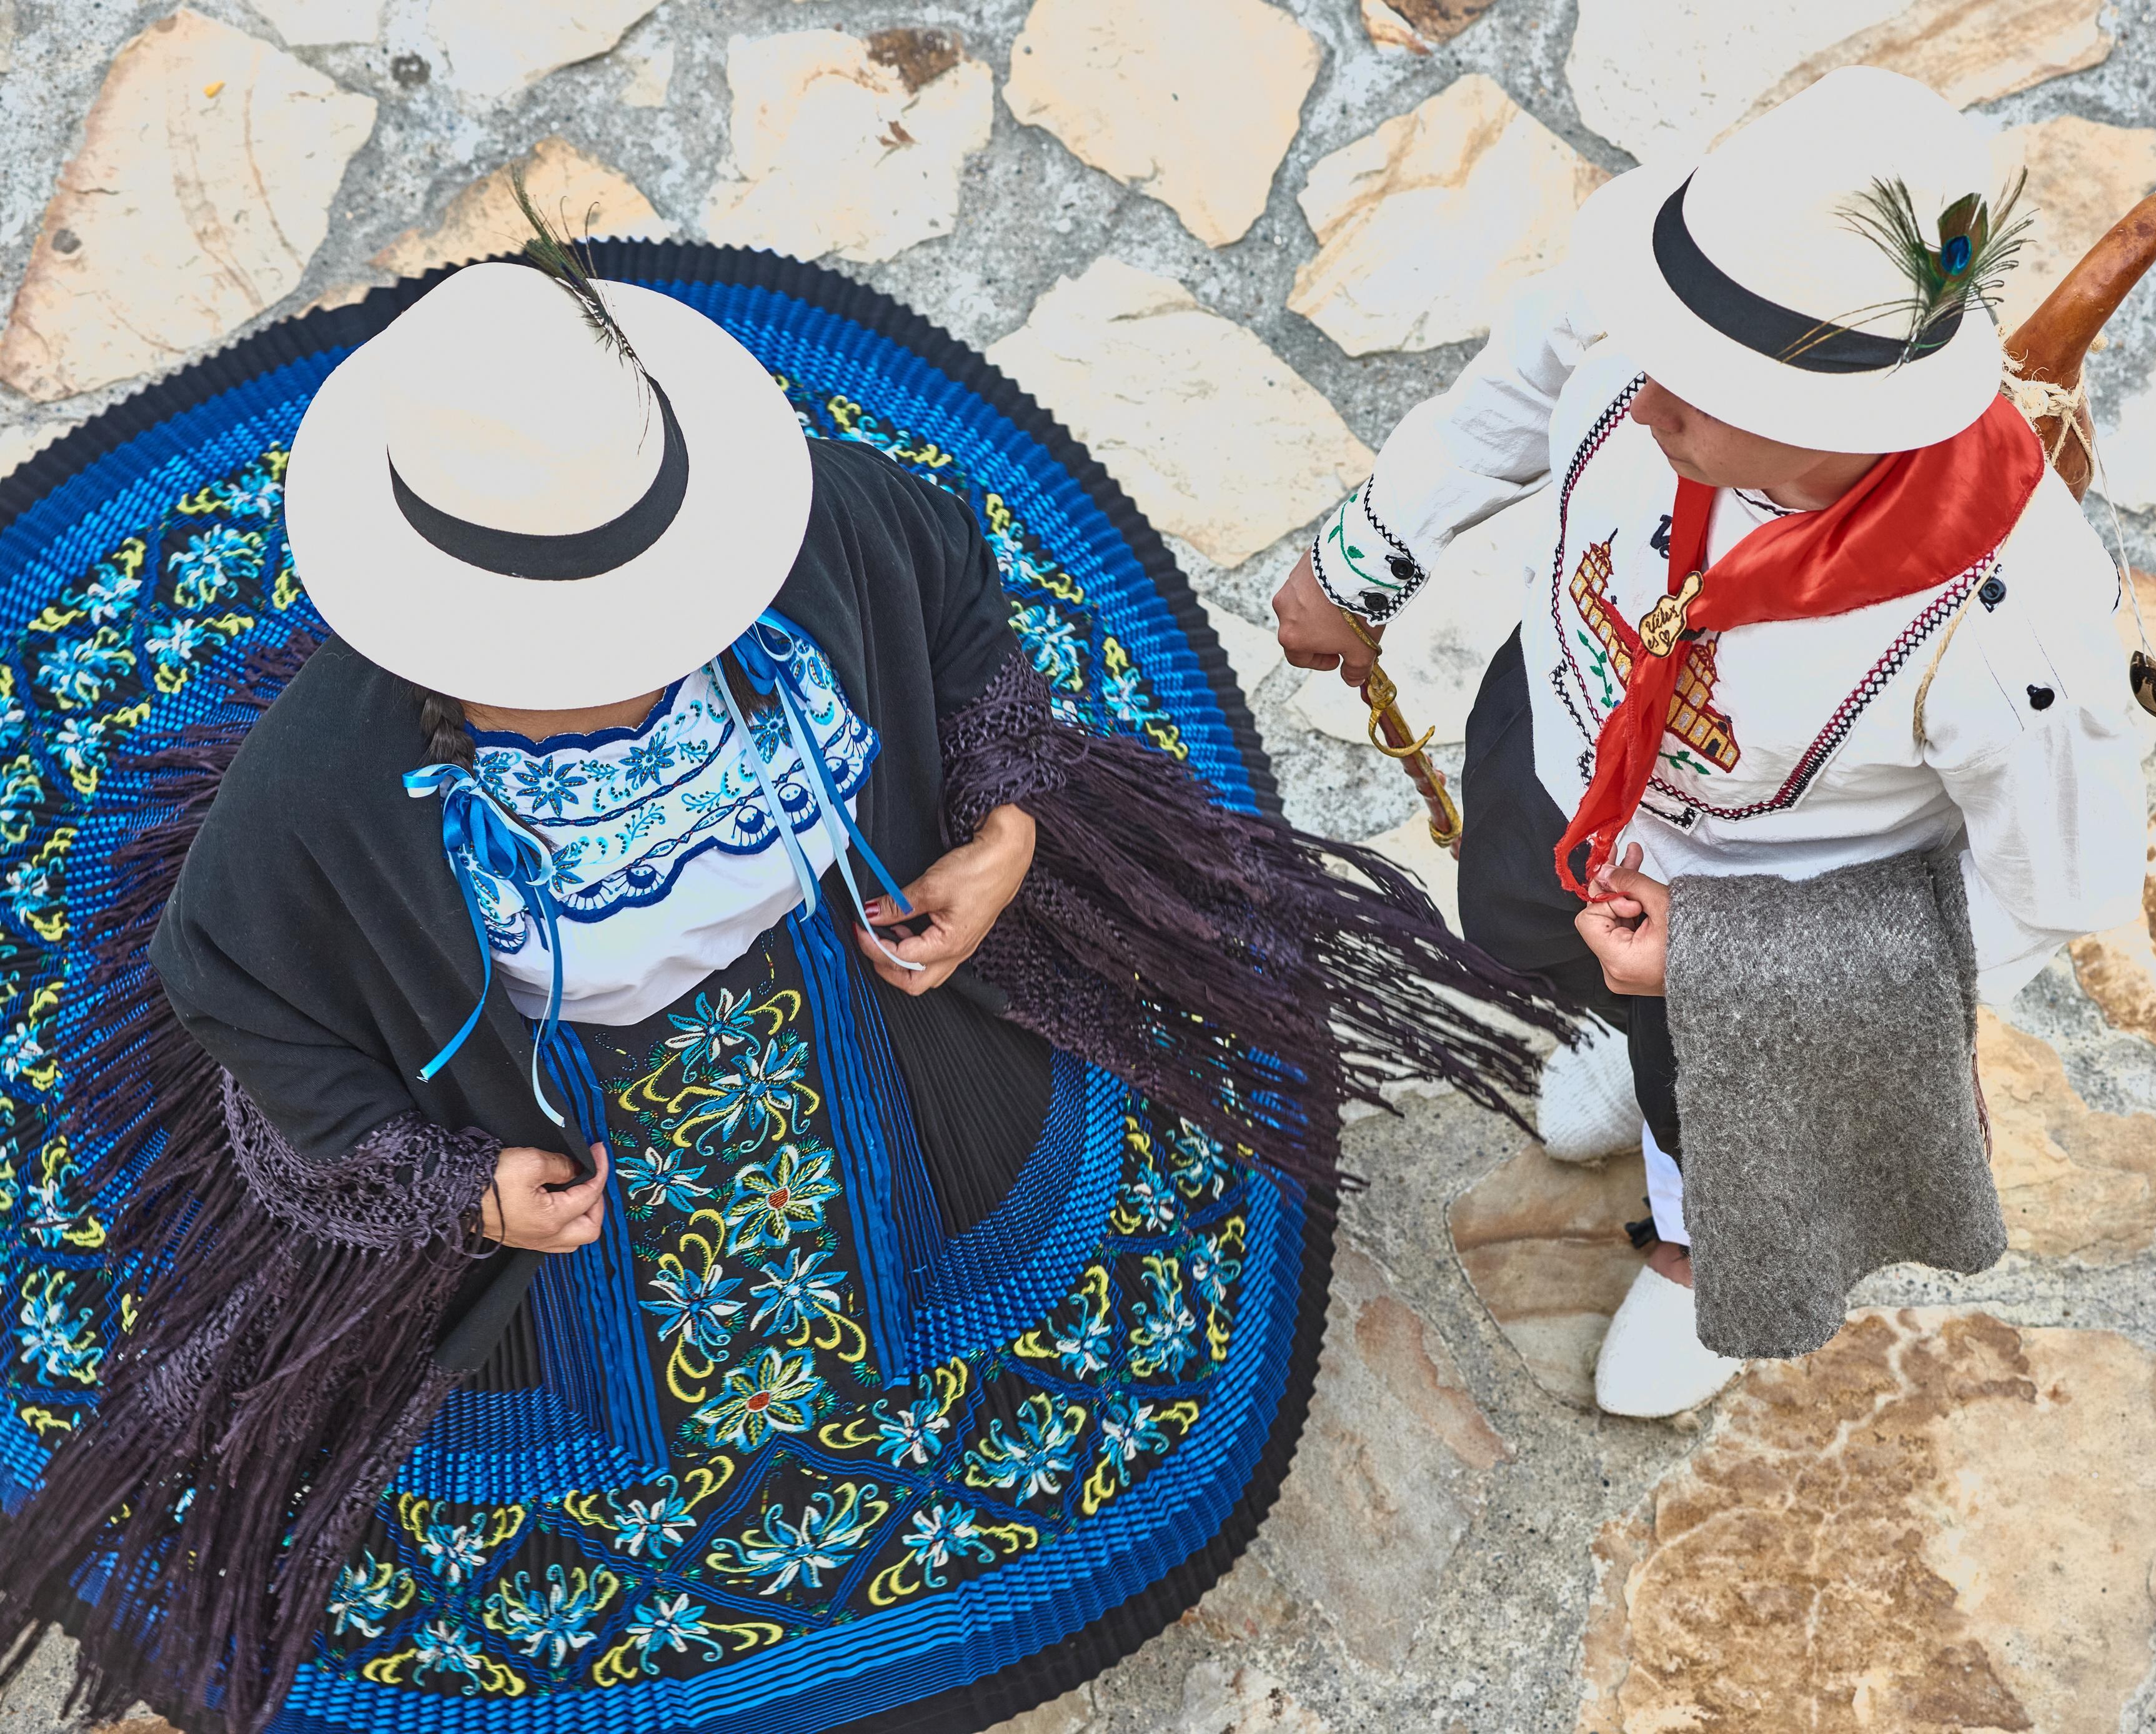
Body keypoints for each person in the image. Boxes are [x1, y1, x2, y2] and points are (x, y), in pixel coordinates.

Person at [0, 230, 1562, 1734]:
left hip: (852, 959)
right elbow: (240, 993)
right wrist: (456, 1187)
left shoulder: (826, 533)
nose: (633, 647)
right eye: (558, 633)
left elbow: (956, 596)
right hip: (514, 1084)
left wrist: (1007, 825)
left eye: (643, 604)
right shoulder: (314, 799)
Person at [1276, 66, 2147, 1416]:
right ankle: (1622, 1045)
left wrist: (1735, 956)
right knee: (1539, 939)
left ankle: (1698, 1245)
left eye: (1693, 383)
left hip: (1763, 922)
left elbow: (2048, 891)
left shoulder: (2008, 631)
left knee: (1734, 1103)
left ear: (1836, 418)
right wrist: (1365, 559)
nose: (1635, 395)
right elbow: (1511, 399)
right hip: (1561, 763)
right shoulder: (1647, 325)